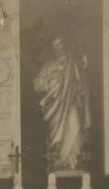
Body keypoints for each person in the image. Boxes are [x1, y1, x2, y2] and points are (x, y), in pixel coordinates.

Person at [32, 36, 91, 171]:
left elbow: (82, 87)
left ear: (65, 45)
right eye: (55, 46)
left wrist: (87, 114)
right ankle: (58, 164)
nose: (58, 48)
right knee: (56, 137)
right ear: (52, 49)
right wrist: (47, 85)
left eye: (60, 45)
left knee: (75, 128)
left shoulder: (73, 63)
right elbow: (37, 85)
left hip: (70, 105)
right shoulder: (48, 65)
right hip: (54, 109)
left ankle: (73, 163)